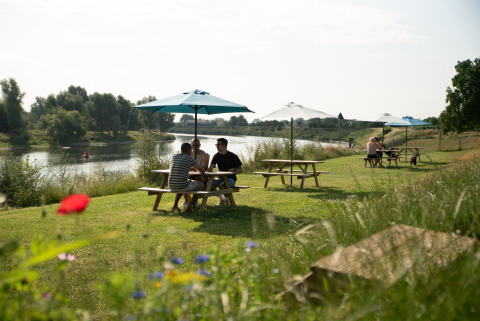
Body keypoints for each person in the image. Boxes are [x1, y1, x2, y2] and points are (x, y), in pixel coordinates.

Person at [169, 143, 205, 213]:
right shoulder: (190, 158)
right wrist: (194, 168)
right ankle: (189, 207)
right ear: (189, 150)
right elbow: (202, 171)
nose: (191, 152)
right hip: (182, 185)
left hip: (171, 185)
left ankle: (175, 205)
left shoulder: (174, 157)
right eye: (191, 150)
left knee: (182, 182)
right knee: (201, 185)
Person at [207, 138, 243, 205]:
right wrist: (210, 168)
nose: (216, 146)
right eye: (216, 145)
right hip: (220, 178)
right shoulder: (216, 155)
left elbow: (241, 170)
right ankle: (222, 198)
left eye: (218, 145)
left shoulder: (233, 156)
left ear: (224, 145)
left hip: (231, 178)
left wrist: (234, 169)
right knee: (209, 184)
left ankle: (227, 201)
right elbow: (211, 166)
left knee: (222, 186)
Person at [180, 138, 210, 208]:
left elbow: (205, 168)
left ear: (200, 145)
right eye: (193, 145)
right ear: (191, 146)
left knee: (199, 179)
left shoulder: (205, 155)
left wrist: (194, 168)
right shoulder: (188, 154)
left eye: (197, 145)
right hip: (190, 174)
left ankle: (195, 202)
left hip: (200, 175)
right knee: (183, 179)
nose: (196, 147)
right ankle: (186, 201)